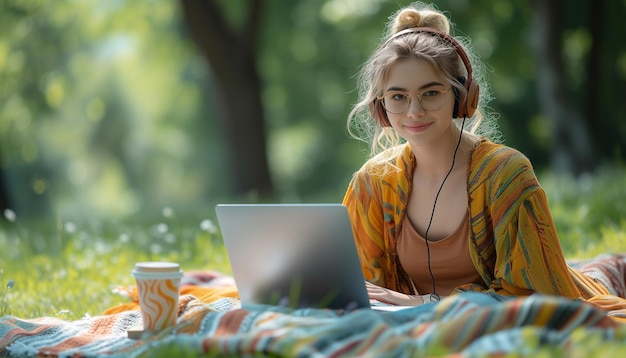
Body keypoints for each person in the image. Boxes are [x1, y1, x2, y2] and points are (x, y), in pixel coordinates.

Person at [342, 2, 618, 306]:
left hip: (565, 295)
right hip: (424, 320)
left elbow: (534, 296)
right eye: (398, 97)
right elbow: (361, 287)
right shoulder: (372, 182)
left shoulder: (505, 173)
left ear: (462, 96)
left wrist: (424, 304)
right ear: (379, 107)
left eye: (431, 93)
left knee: (608, 271)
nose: (414, 111)